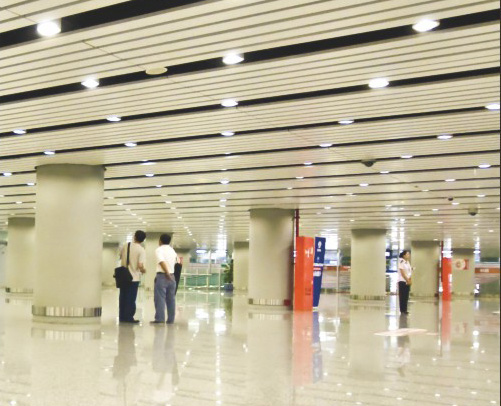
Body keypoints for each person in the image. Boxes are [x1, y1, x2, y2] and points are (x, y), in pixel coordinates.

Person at [119, 230, 147, 323]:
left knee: (123, 297)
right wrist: (143, 270)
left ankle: (122, 317)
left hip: (123, 276)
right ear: (143, 240)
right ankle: (129, 318)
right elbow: (140, 265)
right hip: (133, 277)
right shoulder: (141, 250)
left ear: (134, 237)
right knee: (130, 299)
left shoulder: (126, 245)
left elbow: (120, 256)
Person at [151, 234, 178, 324]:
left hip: (163, 276)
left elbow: (162, 262)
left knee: (160, 298)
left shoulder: (159, 250)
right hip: (172, 276)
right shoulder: (172, 250)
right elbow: (177, 262)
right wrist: (170, 273)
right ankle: (171, 319)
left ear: (160, 240)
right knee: (171, 299)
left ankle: (160, 319)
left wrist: (167, 272)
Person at [398, 250, 412, 315]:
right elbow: (402, 272)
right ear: (404, 255)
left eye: (409, 254)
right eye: (407, 254)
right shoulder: (401, 261)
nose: (409, 255)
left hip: (407, 281)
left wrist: (410, 279)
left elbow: (409, 271)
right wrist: (407, 280)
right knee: (402, 296)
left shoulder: (408, 262)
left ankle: (405, 309)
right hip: (402, 281)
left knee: (406, 296)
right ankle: (402, 310)